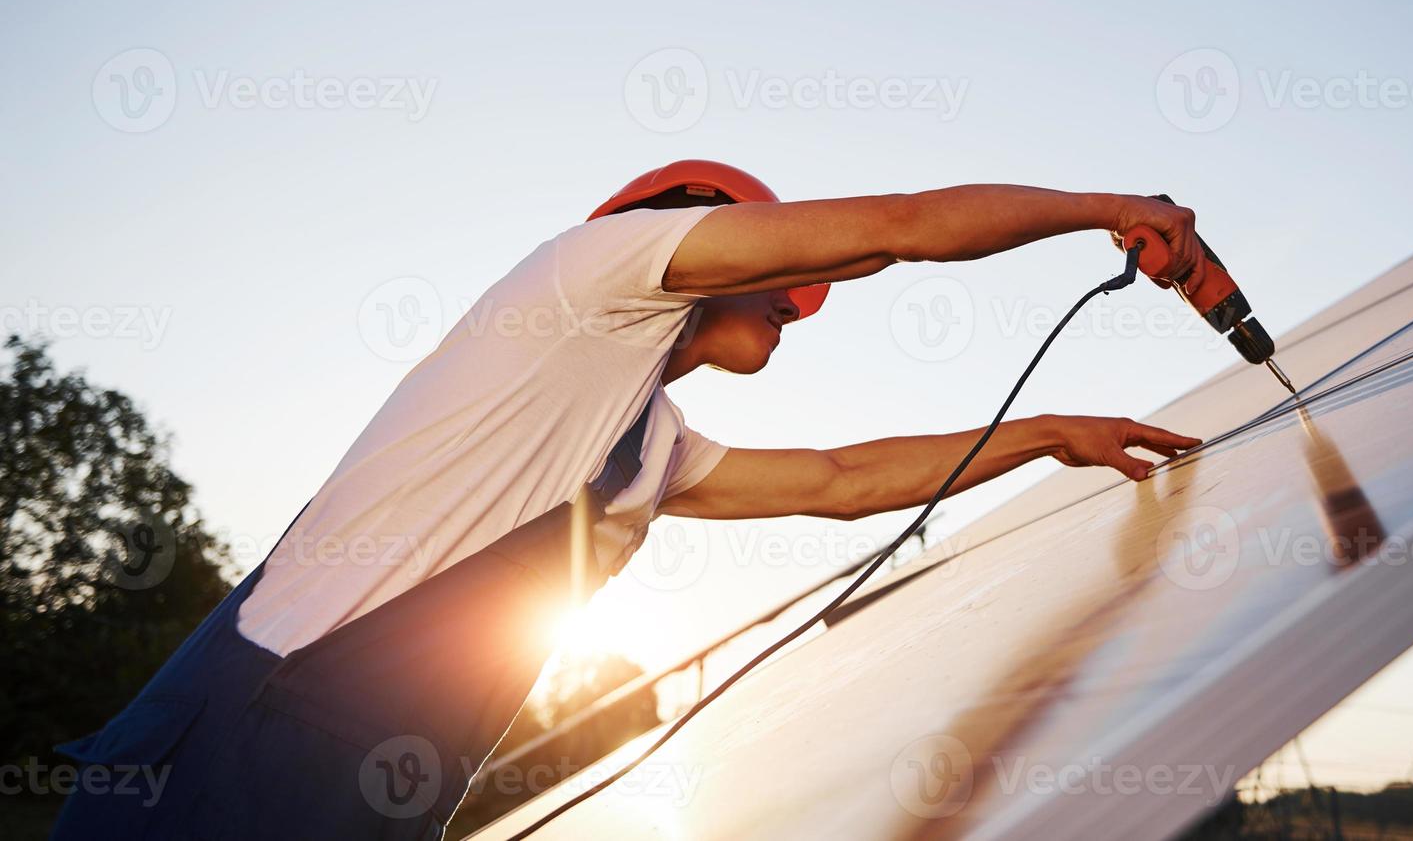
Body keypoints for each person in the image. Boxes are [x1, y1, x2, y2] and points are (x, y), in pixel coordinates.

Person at [51, 159, 1204, 839]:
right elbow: (895, 229)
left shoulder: (650, 442)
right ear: (694, 229)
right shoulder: (586, 276)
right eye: (779, 280)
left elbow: (842, 481)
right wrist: (1105, 207)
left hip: (366, 789)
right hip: (228, 751)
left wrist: (1053, 429)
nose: (798, 305)